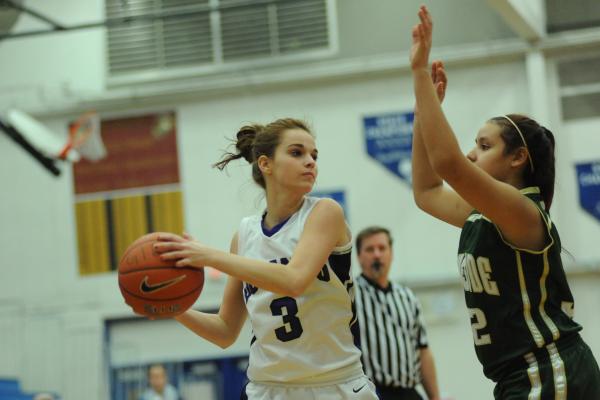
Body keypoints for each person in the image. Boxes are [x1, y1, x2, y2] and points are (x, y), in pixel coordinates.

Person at [409, 5, 600, 399]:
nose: (472, 154)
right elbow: (425, 191)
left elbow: (446, 164)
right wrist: (425, 109)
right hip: (520, 375)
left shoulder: (522, 211)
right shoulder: (484, 214)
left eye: (483, 145)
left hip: (548, 368)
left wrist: (419, 77)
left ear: (518, 158)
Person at [154, 118, 377, 399]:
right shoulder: (245, 236)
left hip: (335, 383)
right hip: (267, 388)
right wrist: (173, 309)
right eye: (297, 153)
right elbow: (225, 331)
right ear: (265, 164)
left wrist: (210, 256)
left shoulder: (324, 212)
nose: (310, 162)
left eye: (314, 155)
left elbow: (294, 280)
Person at [354, 226, 440, 400]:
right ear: (359, 257)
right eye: (370, 249)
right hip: (370, 393)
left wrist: (435, 398)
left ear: (391, 254)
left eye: (382, 248)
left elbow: (423, 350)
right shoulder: (351, 295)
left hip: (409, 392)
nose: (377, 254)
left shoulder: (407, 297)